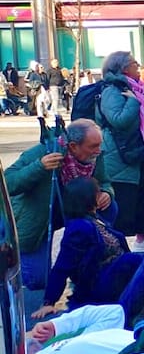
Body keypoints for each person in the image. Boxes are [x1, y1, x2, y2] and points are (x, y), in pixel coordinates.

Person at [32, 177, 144, 320]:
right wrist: (49, 302)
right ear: (88, 198)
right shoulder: (78, 228)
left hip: (118, 273)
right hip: (100, 286)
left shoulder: (96, 218)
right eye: (98, 192)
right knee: (134, 259)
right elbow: (62, 266)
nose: (102, 195)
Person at [6, 119, 116, 288]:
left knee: (111, 208)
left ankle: (90, 262)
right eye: (93, 146)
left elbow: (104, 182)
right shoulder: (44, 151)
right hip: (37, 220)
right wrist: (39, 167)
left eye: (99, 145)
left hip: (74, 213)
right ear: (73, 146)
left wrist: (107, 193)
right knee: (38, 281)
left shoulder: (95, 156)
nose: (99, 151)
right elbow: (7, 182)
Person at [99, 51, 144, 248]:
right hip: (121, 155)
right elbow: (118, 120)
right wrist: (134, 101)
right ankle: (115, 246)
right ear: (124, 68)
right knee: (124, 202)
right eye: (135, 63)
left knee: (143, 198)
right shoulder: (113, 91)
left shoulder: (140, 89)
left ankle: (142, 240)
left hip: (141, 153)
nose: (139, 66)